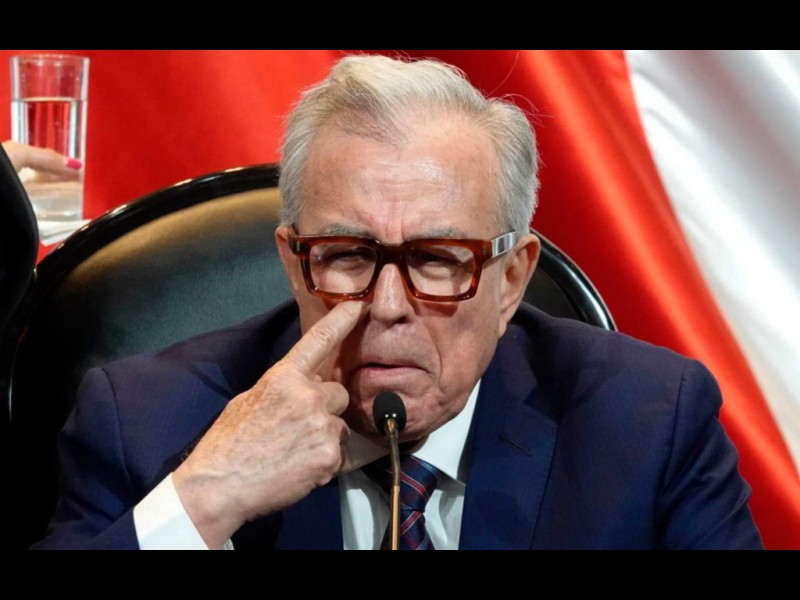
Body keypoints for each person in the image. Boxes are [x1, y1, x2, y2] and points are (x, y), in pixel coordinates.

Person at [33, 55, 763, 550]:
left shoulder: (647, 422)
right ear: (294, 262)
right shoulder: (143, 422)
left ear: (512, 279)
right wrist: (205, 501)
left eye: (437, 260)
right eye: (347, 255)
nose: (387, 306)